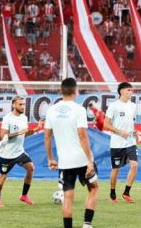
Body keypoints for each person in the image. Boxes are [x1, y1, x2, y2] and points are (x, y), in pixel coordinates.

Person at [45, 78, 98, 228]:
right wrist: (89, 161)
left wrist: (50, 158)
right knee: (93, 188)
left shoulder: (51, 110)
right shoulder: (79, 109)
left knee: (68, 196)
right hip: (81, 159)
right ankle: (87, 224)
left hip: (64, 161)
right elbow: (82, 136)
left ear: (61, 91)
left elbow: (47, 136)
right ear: (75, 90)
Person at [0, 96, 42, 207]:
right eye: (20, 104)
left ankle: (24, 195)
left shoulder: (24, 118)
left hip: (19, 152)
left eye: (23, 104)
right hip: (7, 153)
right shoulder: (7, 118)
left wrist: (35, 130)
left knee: (31, 168)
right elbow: (3, 136)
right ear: (13, 105)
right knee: (3, 176)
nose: (22, 106)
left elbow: (25, 133)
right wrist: (18, 133)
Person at [104, 82, 138, 203]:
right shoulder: (114, 106)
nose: (131, 92)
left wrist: (135, 132)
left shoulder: (133, 106)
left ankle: (126, 193)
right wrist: (119, 131)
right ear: (122, 91)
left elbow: (130, 123)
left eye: (131, 90)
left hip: (130, 142)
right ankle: (112, 193)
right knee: (116, 169)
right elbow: (106, 124)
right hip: (117, 143)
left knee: (134, 165)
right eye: (129, 90)